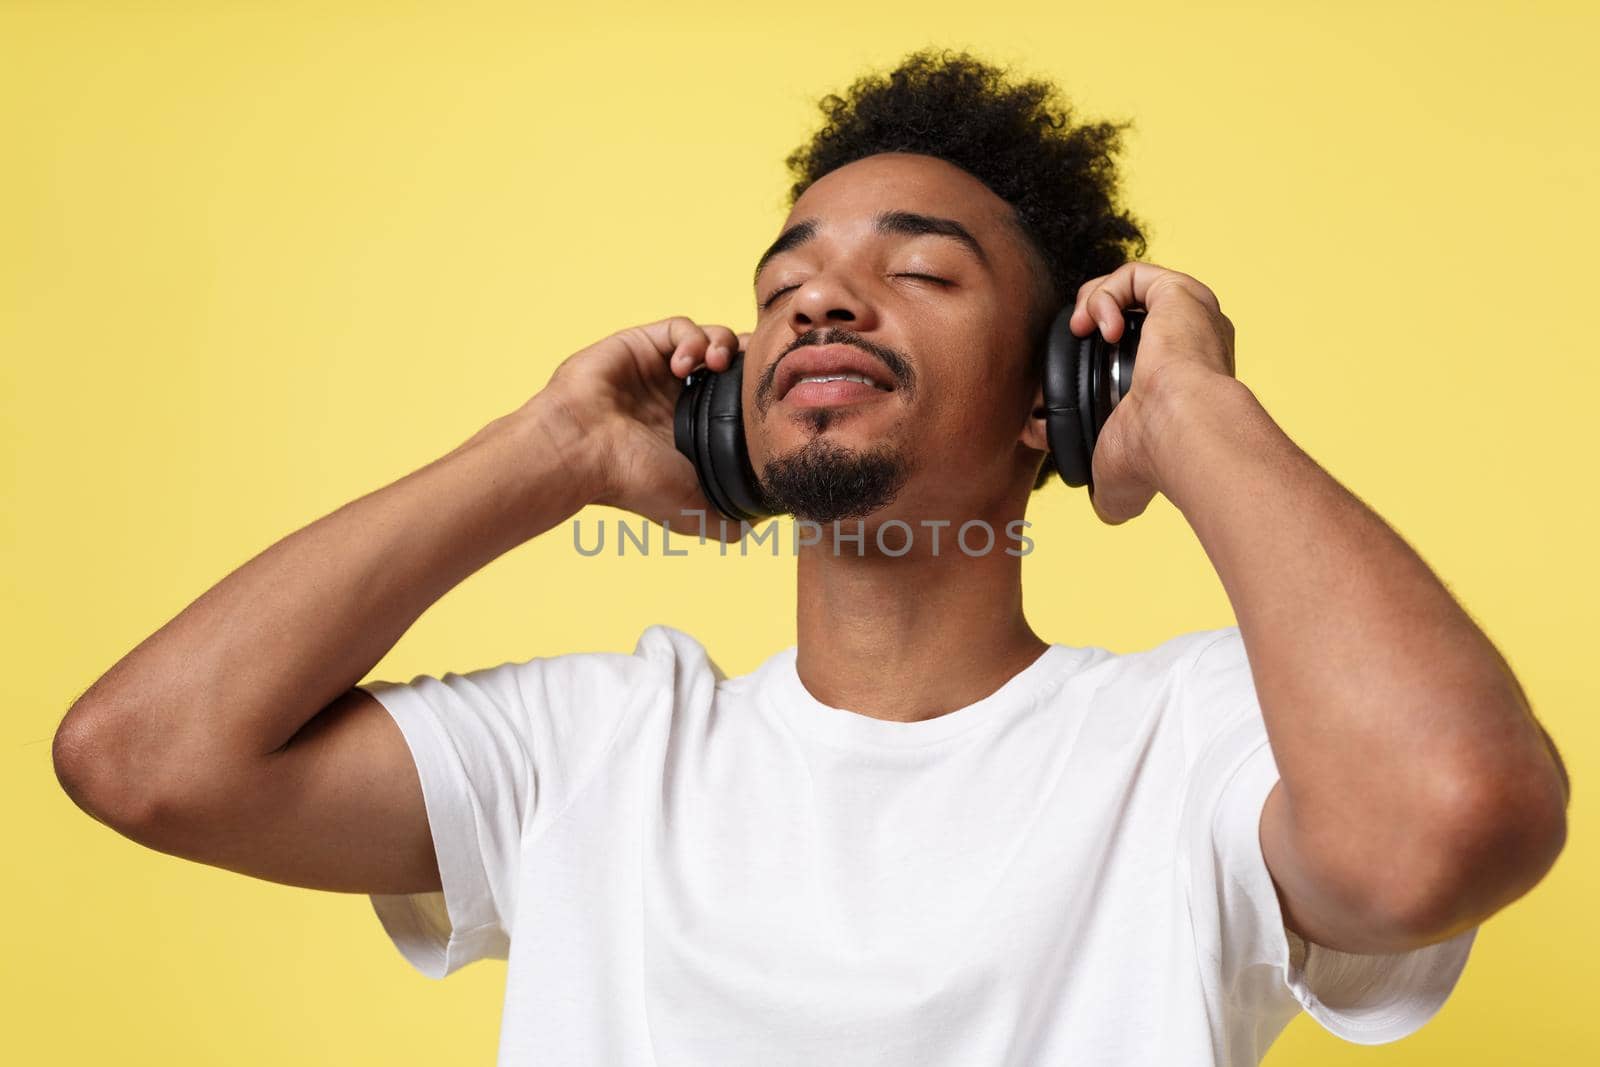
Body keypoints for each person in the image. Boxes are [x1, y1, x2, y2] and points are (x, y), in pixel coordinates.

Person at [53, 48, 1569, 1066]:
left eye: (916, 271)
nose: (822, 306)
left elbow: (1448, 827)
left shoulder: (1190, 746)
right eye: (788, 285)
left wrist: (1194, 410)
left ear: (1061, 397)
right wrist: (550, 452)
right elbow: (143, 756)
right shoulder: (595, 748)